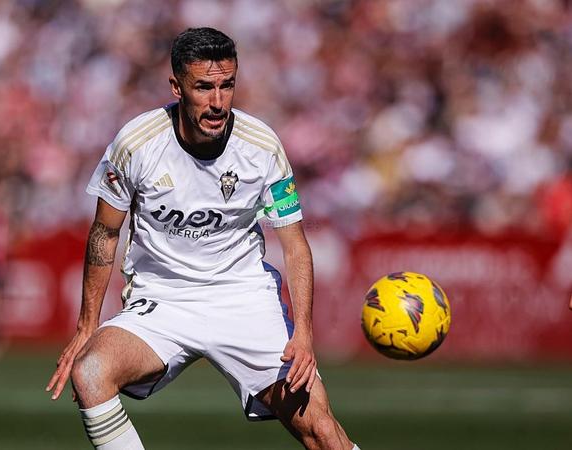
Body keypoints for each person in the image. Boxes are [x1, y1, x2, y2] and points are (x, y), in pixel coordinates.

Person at [46, 27, 359, 450]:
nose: (217, 101)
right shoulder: (136, 144)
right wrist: (87, 326)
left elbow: (296, 245)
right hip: (163, 299)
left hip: (244, 297)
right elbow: (106, 231)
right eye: (204, 87)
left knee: (322, 432)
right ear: (177, 87)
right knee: (90, 372)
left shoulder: (262, 147)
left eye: (227, 85)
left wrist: (303, 332)